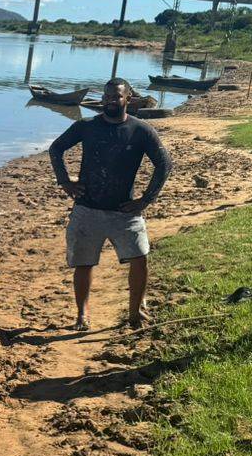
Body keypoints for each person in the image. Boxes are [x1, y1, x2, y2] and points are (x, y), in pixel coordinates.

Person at [48, 78, 173, 331]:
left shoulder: (140, 130)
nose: (110, 101)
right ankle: (82, 315)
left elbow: (165, 164)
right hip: (87, 208)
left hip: (125, 212)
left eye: (116, 97)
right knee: (83, 263)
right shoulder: (86, 126)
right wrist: (65, 182)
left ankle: (135, 312)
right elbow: (56, 149)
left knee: (140, 259)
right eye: (106, 97)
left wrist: (145, 200)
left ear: (128, 98)